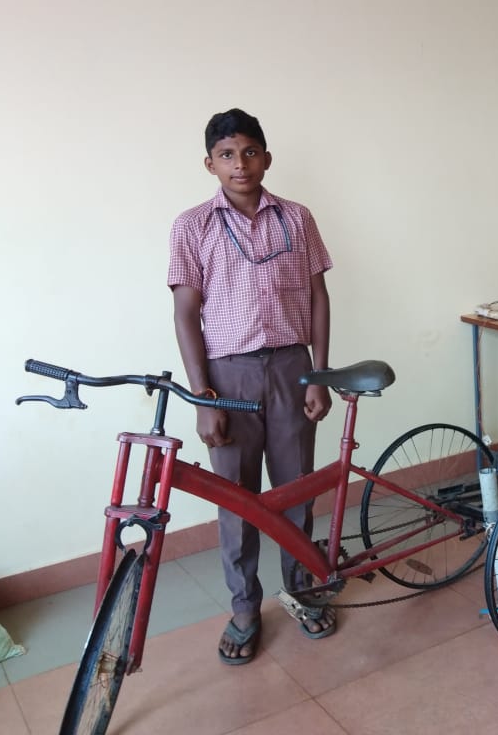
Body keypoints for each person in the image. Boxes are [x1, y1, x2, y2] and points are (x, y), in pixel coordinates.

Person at [167, 108, 334, 665]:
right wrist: (201, 397)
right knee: (236, 500)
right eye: (227, 154)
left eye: (250, 152)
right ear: (209, 163)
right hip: (228, 378)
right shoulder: (192, 226)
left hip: (291, 367)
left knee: (295, 490)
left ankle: (303, 589)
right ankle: (244, 609)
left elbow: (317, 298)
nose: (240, 164)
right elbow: (186, 315)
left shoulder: (297, 218)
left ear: (267, 156)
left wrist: (318, 372)